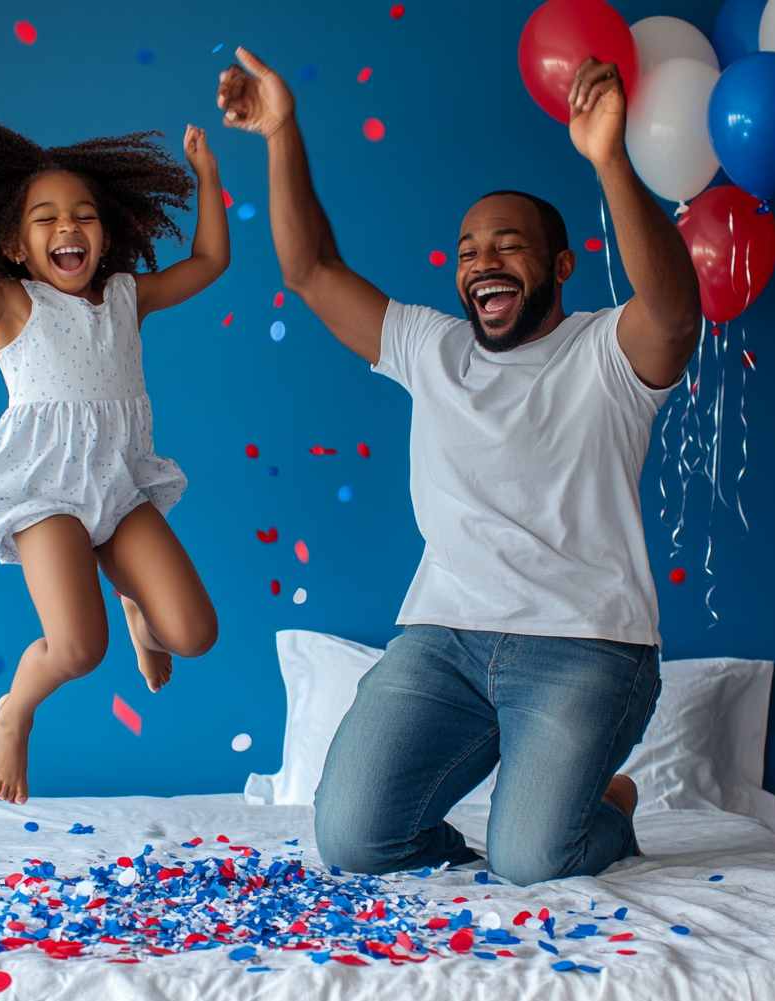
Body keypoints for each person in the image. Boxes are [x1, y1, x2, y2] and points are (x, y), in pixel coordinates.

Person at [217, 49, 700, 885]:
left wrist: (610, 161)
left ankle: (606, 807)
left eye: (508, 246)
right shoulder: (431, 347)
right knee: (354, 844)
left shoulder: (606, 352)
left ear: (559, 268)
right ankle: (526, 823)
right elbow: (312, 271)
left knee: (532, 861)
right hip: (444, 643)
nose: (481, 262)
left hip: (585, 650)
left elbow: (675, 307)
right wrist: (281, 131)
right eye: (468, 250)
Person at [0, 115, 228, 804]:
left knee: (194, 633)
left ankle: (137, 606)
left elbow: (209, 262)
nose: (70, 229)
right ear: (16, 245)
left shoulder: (125, 297)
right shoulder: (10, 304)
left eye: (85, 217)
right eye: (47, 219)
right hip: (45, 492)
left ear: (106, 235)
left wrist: (207, 174)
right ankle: (15, 709)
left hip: (120, 487)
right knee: (80, 650)